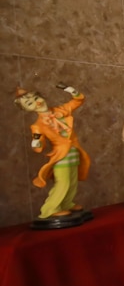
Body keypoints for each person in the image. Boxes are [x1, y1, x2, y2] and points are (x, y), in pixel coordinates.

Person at [15, 83, 91, 218]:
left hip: (73, 152)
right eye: (30, 103)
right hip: (61, 156)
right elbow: (39, 147)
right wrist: (36, 142)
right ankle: (49, 209)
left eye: (36, 98)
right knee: (63, 183)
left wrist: (70, 89)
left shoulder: (60, 111)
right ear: (27, 109)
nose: (37, 103)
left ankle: (67, 203)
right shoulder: (37, 126)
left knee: (72, 181)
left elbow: (79, 100)